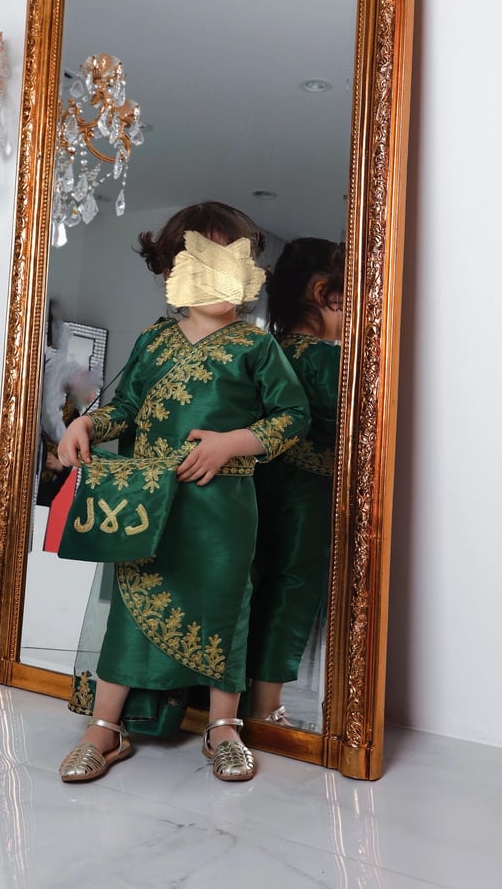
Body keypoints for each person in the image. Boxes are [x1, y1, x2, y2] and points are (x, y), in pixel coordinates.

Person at [56, 201, 311, 783]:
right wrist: (86, 424)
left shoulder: (256, 346)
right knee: (131, 606)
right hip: (149, 503)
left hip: (223, 507)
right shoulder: (155, 340)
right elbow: (126, 407)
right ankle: (105, 727)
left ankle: (223, 727)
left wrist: (232, 443)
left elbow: (292, 416)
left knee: (225, 605)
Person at [247, 237, 344, 724]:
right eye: (347, 299)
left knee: (253, 585)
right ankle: (267, 708)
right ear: (323, 292)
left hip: (255, 489)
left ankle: (235, 698)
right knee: (292, 590)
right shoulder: (330, 362)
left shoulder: (265, 352)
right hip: (306, 498)